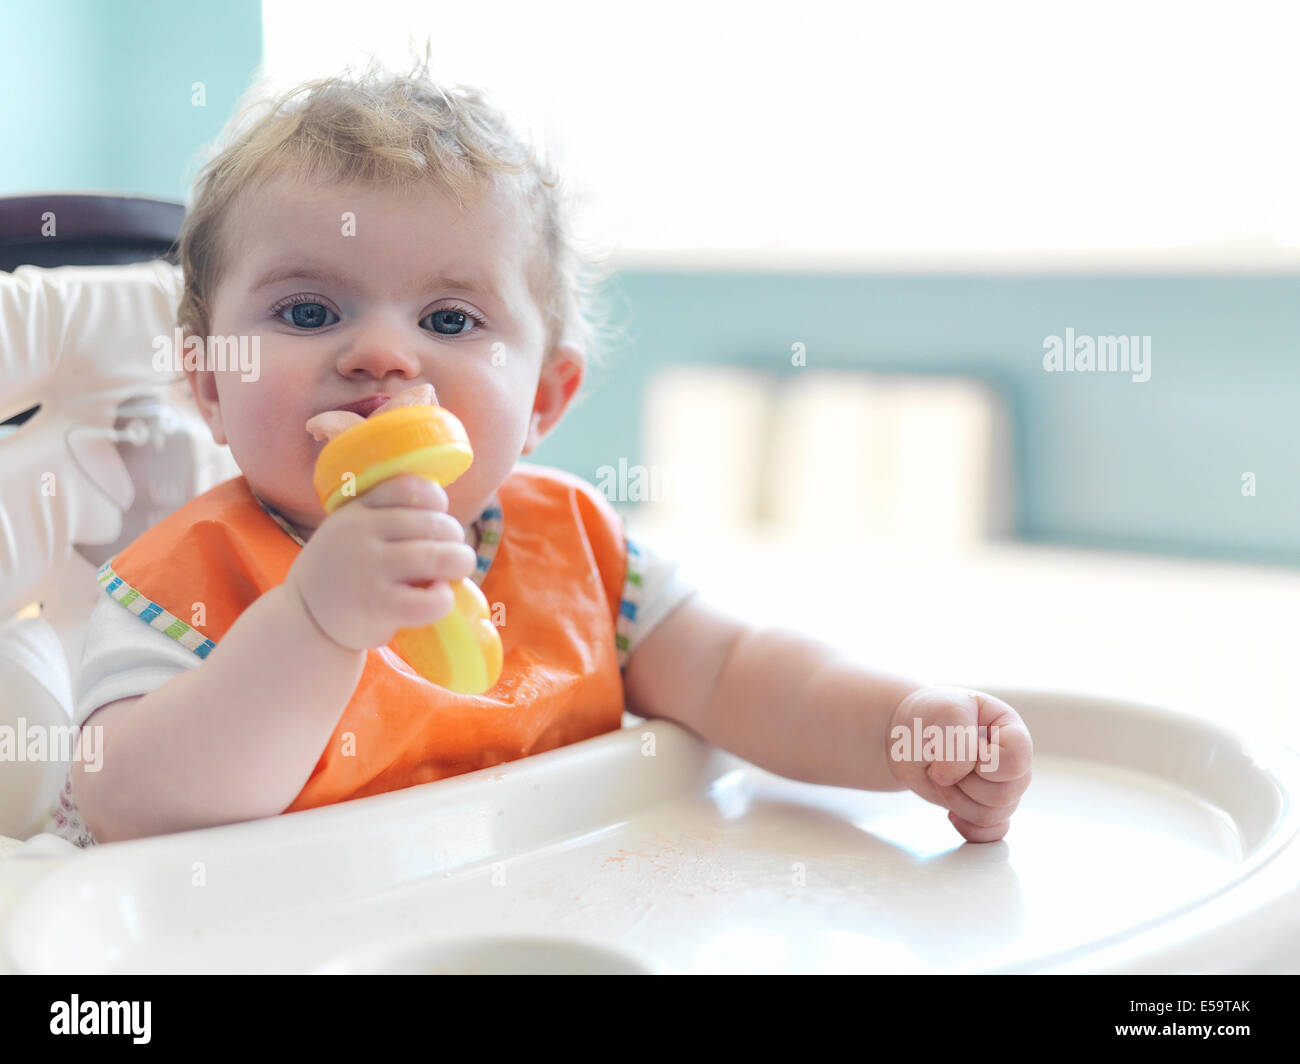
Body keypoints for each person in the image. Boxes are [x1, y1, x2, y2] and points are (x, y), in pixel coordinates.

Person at [60, 59, 1031, 848]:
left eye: (450, 316)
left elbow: (745, 674)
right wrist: (315, 623)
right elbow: (133, 802)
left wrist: (901, 726)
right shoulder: (181, 582)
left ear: (544, 400)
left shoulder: (578, 550)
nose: (383, 354)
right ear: (212, 384)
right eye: (309, 311)